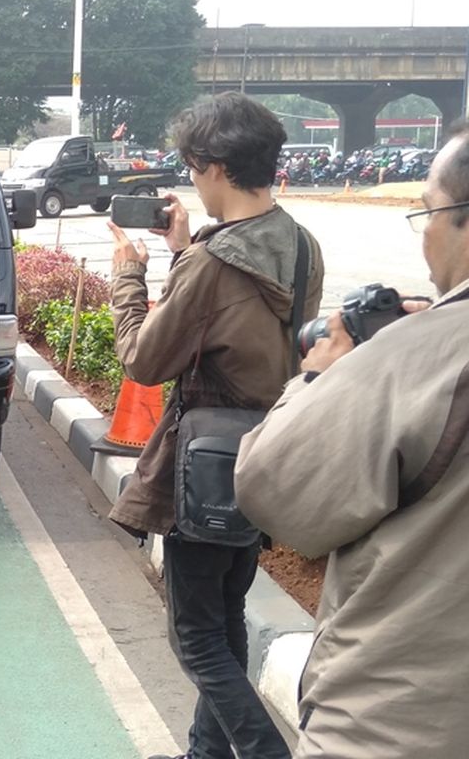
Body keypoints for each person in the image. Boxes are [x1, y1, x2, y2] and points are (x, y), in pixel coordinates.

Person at [234, 120, 469, 758]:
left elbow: (278, 490)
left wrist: (318, 378)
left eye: (427, 212)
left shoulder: (426, 352)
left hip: (400, 725)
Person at [105, 92, 325, 759]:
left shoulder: (213, 261)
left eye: (192, 168)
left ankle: (265, 753)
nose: (191, 182)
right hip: (266, 452)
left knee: (195, 637)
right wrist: (185, 249)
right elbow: (242, 334)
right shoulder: (300, 244)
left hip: (205, 467)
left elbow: (146, 359)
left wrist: (129, 280)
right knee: (224, 614)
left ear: (215, 166)